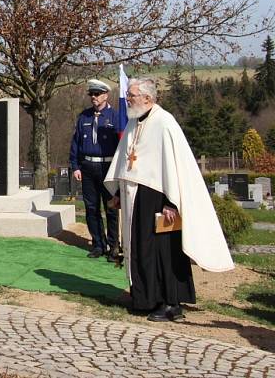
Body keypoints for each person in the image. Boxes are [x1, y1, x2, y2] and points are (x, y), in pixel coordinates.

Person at [104, 77, 233, 322]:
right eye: (128, 95)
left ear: (148, 98)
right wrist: (120, 193)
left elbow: (176, 167)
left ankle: (171, 303)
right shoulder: (135, 122)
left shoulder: (165, 123)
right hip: (136, 197)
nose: (127, 99)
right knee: (141, 248)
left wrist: (171, 203)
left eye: (131, 95)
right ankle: (145, 298)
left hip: (160, 199)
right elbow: (127, 161)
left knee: (163, 251)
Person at [69, 79, 120, 260]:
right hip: (88, 167)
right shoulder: (84, 117)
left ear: (106, 95)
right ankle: (98, 244)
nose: (93, 97)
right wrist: (75, 165)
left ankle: (114, 246)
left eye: (97, 94)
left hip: (108, 167)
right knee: (91, 208)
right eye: (91, 94)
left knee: (111, 208)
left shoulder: (115, 117)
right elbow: (76, 143)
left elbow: (122, 144)